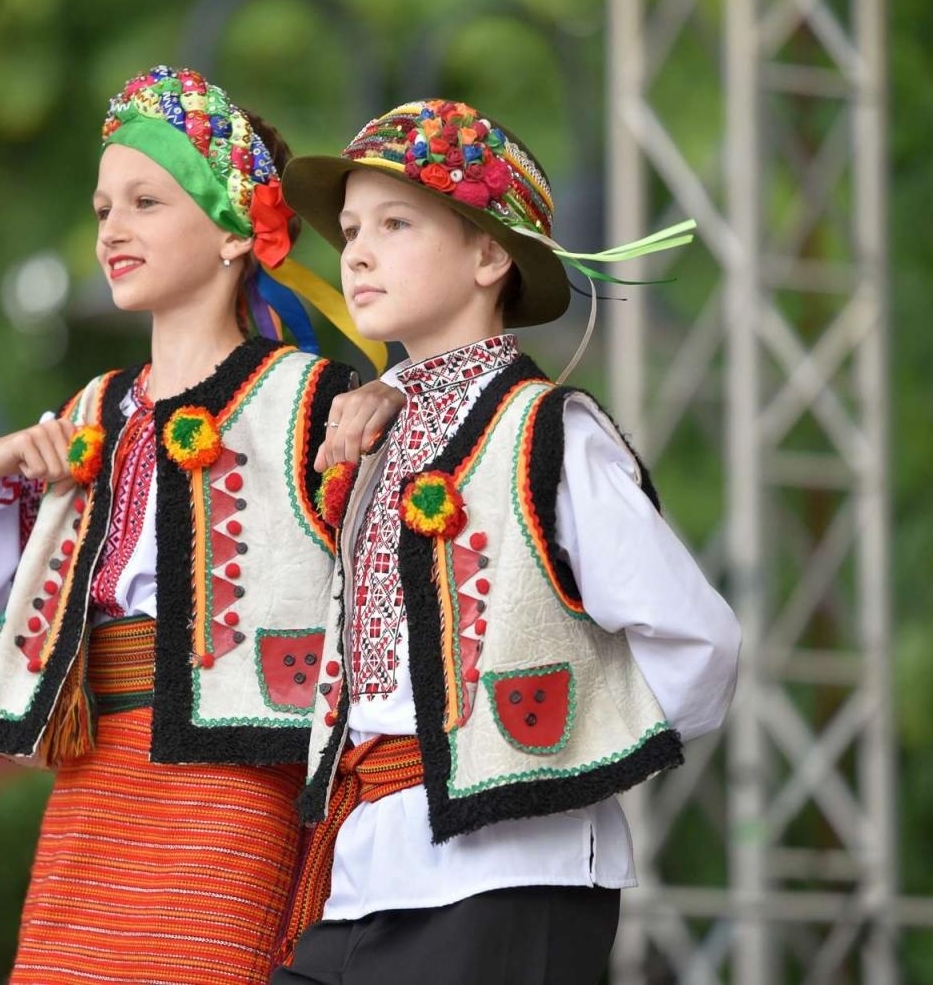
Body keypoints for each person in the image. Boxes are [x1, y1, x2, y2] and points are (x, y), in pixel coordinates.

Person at [0, 65, 400, 985]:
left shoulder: (310, 400)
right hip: (92, 789)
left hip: (232, 791)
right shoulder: (90, 411)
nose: (111, 231)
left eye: (144, 203)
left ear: (233, 232)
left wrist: (392, 399)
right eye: (102, 209)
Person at [268, 99, 741, 984]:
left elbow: (698, 639)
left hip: (512, 878)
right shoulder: (378, 436)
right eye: (351, 231)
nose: (356, 252)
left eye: (395, 224)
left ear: (491, 256)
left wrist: (560, 758)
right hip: (364, 871)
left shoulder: (550, 434)